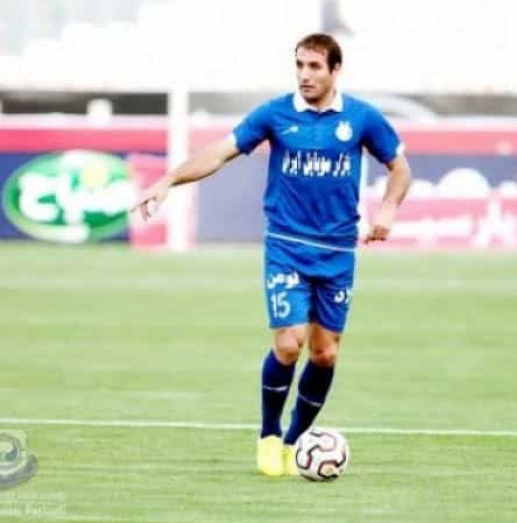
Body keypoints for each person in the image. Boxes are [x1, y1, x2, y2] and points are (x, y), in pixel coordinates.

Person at [132, 33, 412, 477]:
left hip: (338, 252)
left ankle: (296, 441)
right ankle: (268, 434)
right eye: (299, 65)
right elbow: (220, 152)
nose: (304, 74)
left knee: (325, 354)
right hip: (286, 246)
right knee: (288, 343)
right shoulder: (275, 114)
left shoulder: (361, 117)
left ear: (335, 70)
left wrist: (389, 209)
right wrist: (168, 180)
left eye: (314, 66)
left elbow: (399, 166)